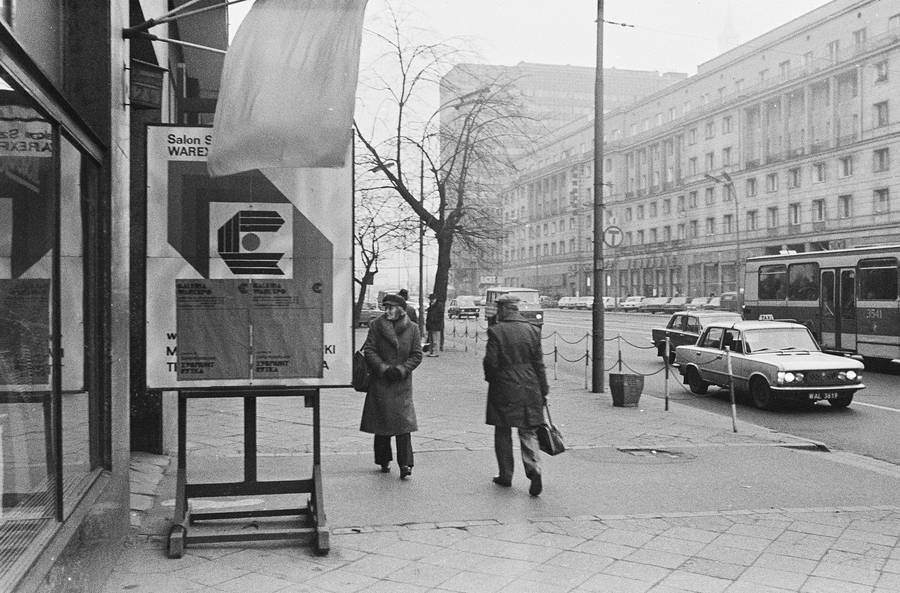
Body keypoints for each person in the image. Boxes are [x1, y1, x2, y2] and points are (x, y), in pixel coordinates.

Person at [482, 294, 549, 496]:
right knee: (528, 430)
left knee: (502, 431)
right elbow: (539, 364)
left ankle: (506, 475)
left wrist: (492, 379)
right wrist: (543, 389)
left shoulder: (496, 331)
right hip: (530, 384)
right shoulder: (533, 330)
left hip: (503, 385)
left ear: (503, 310)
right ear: (517, 309)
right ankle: (534, 468)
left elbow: (490, 363)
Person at [360, 293, 423, 479]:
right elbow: (369, 350)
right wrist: (383, 368)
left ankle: (405, 464)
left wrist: (403, 369)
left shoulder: (413, 328)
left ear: (401, 310)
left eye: (391, 307)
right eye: (385, 307)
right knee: (382, 423)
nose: (386, 311)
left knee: (404, 425)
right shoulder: (376, 326)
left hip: (401, 383)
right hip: (381, 380)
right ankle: (383, 459)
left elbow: (417, 354)